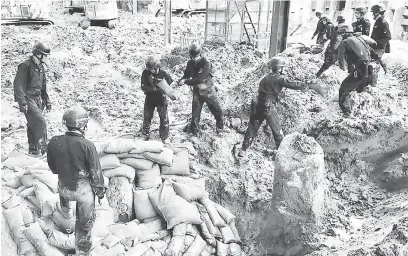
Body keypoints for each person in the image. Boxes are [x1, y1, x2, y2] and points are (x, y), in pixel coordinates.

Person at [47, 106, 105, 256]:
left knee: (66, 211)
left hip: (63, 188)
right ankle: (82, 251)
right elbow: (95, 174)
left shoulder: (54, 142)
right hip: (82, 191)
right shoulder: (87, 145)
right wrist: (100, 194)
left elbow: (53, 168)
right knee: (84, 224)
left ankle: (65, 215)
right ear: (83, 126)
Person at [238, 57, 317, 157]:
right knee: (277, 131)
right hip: (268, 106)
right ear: (280, 68)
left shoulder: (265, 78)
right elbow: (292, 84)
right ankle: (283, 154)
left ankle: (243, 150)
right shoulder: (279, 79)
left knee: (252, 128)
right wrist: (306, 85)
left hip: (257, 104)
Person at [13, 42, 51, 156]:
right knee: (40, 122)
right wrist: (22, 102)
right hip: (28, 97)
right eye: (45, 55)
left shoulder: (40, 67)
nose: (46, 57)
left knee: (33, 124)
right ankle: (44, 150)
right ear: (38, 54)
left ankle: (33, 150)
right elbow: (18, 85)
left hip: (38, 98)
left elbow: (43, 85)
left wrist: (47, 100)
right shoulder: (25, 65)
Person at [179, 43, 225, 136]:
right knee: (195, 113)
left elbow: (199, 79)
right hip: (197, 91)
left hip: (208, 90)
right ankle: (194, 132)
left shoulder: (206, 63)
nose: (195, 58)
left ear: (200, 54)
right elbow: (186, 75)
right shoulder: (190, 63)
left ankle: (220, 127)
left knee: (217, 109)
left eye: (196, 56)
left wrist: (186, 81)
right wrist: (180, 80)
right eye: (193, 57)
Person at [335, 25, 379, 118]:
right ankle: (361, 112)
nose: (339, 36)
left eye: (340, 34)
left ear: (344, 33)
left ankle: (346, 113)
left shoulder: (345, 42)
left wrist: (342, 67)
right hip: (370, 70)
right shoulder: (360, 40)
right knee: (359, 90)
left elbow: (340, 58)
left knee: (344, 89)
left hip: (359, 69)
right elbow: (373, 54)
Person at [141, 56, 172, 144]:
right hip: (150, 99)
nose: (150, 71)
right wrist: (153, 89)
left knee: (164, 118)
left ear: (156, 68)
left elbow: (171, 84)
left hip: (161, 99)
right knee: (147, 117)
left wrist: (166, 90)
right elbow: (143, 86)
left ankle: (164, 136)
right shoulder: (145, 73)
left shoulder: (163, 74)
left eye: (152, 69)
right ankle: (145, 134)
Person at [370, 3, 391, 79]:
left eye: (373, 13)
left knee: (375, 64)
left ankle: (373, 84)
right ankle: (385, 66)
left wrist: (376, 42)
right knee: (376, 59)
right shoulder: (378, 21)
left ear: (377, 13)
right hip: (375, 46)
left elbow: (388, 37)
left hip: (380, 47)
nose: (372, 14)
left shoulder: (383, 22)